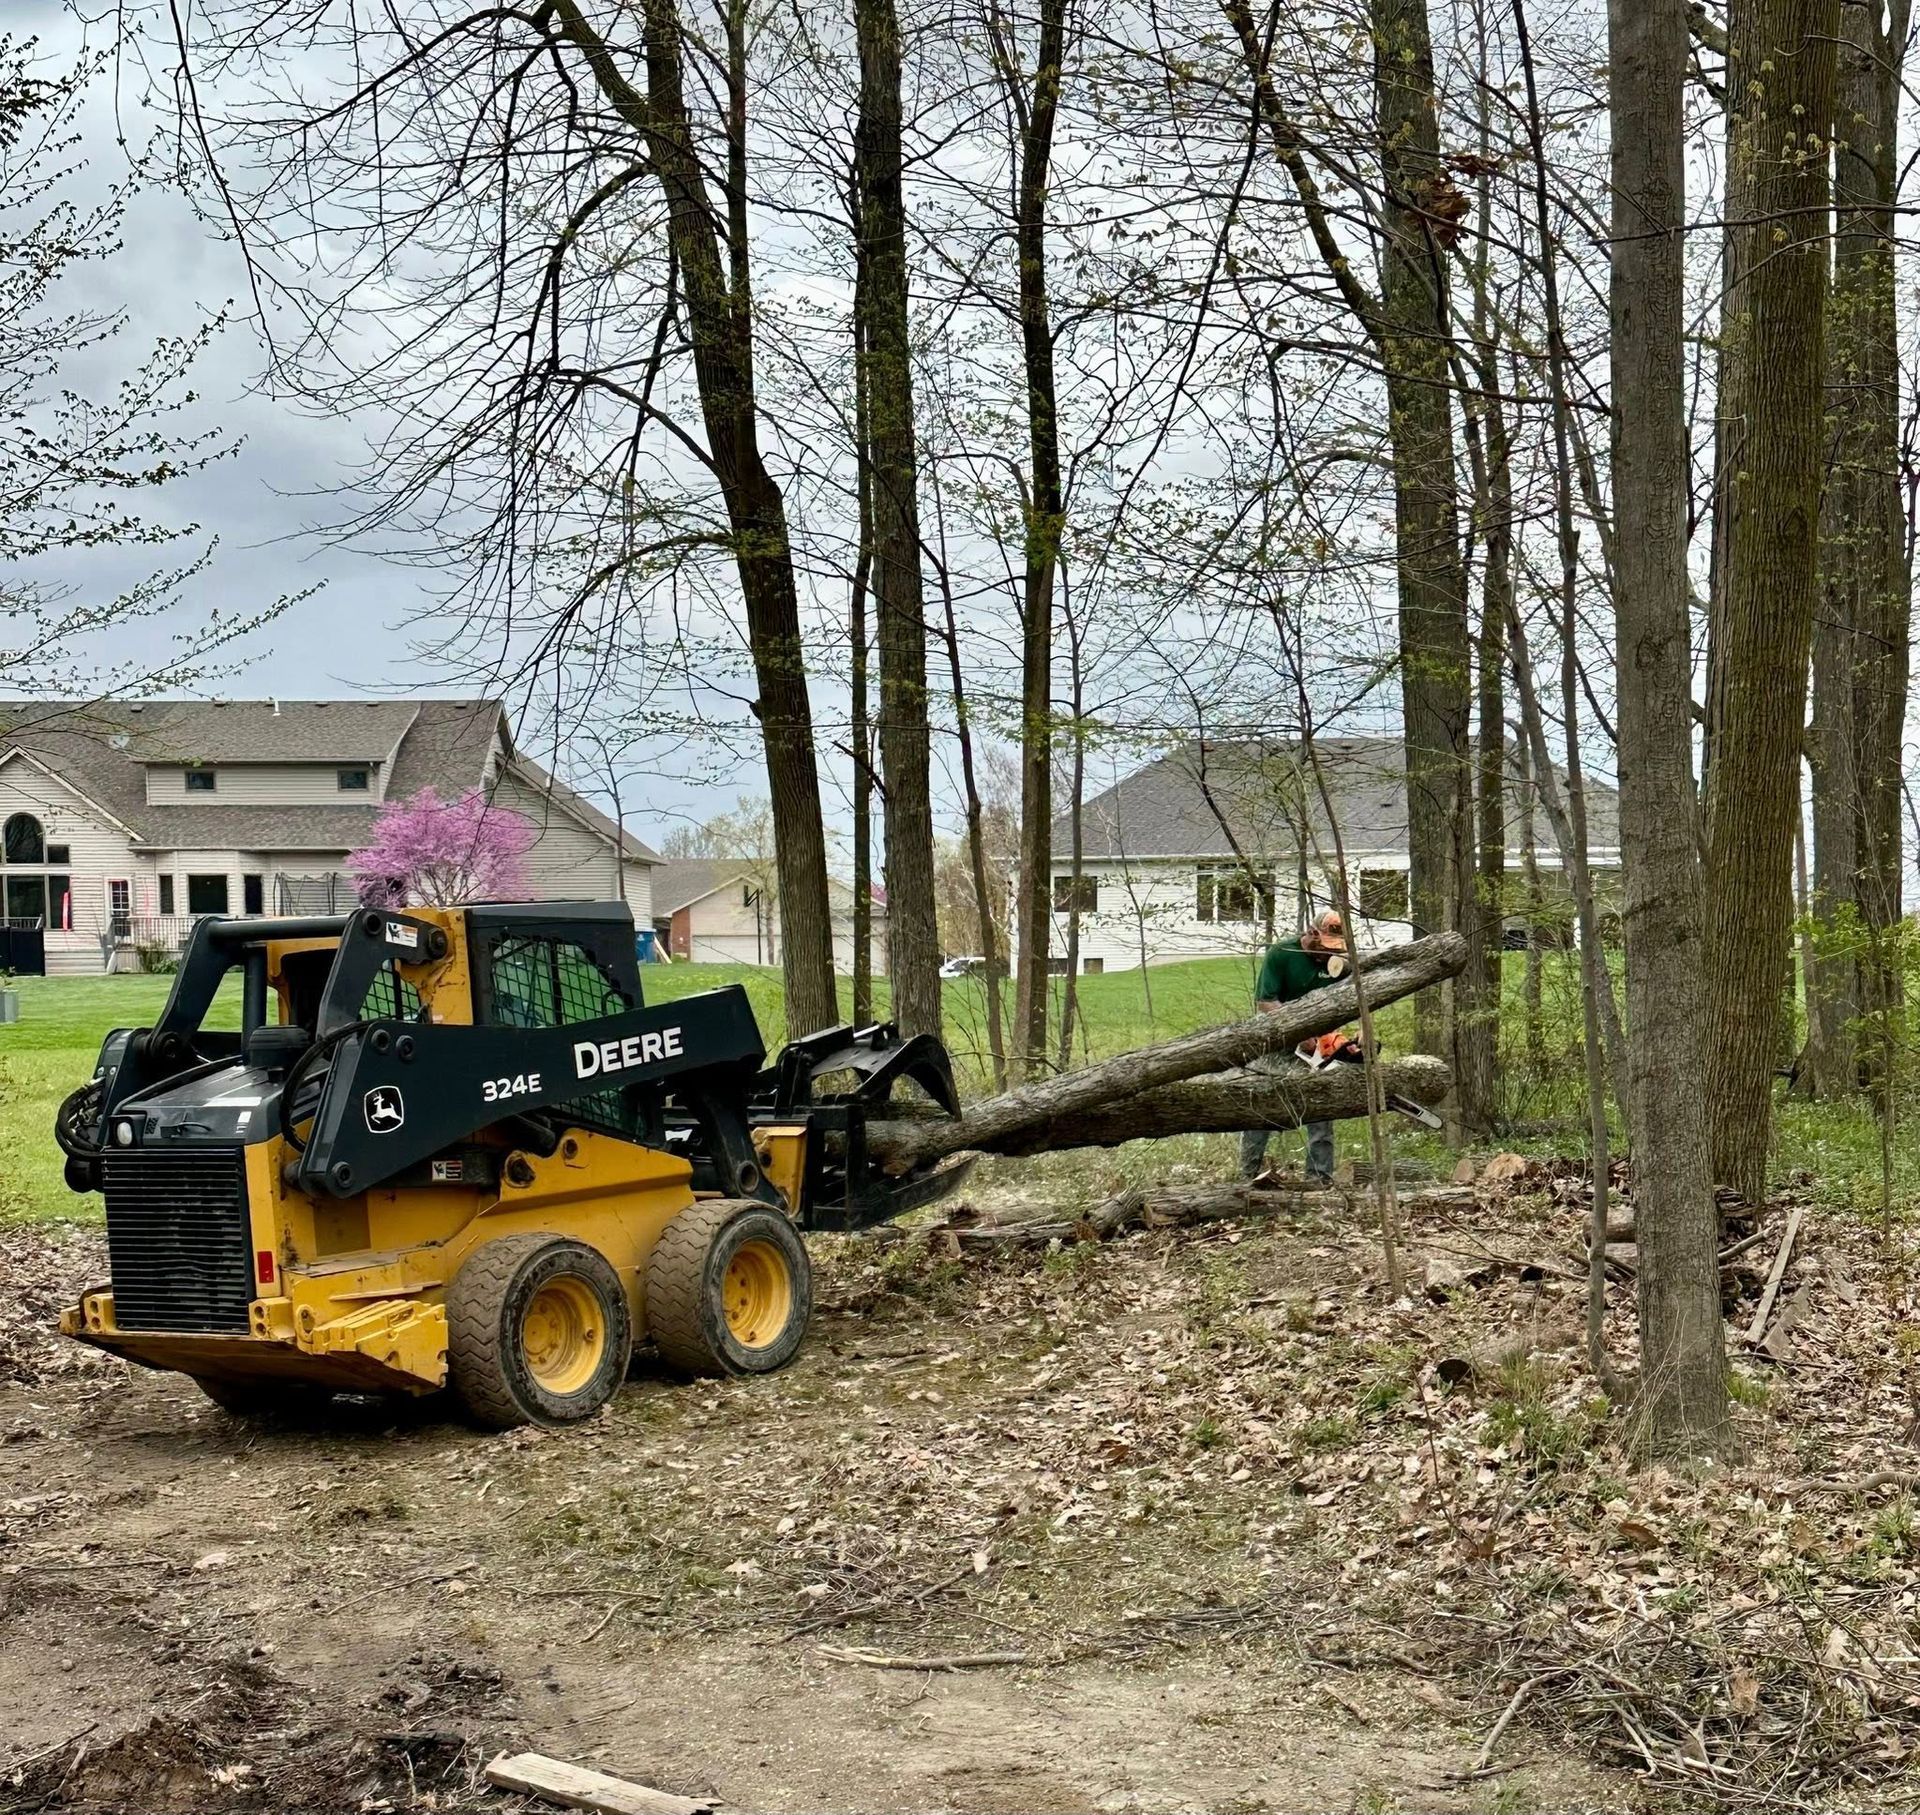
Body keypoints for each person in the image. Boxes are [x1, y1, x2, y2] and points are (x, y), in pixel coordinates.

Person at [1240, 909, 1348, 1187]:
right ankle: (1248, 1176)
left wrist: (1336, 1040)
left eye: (1333, 948)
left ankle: (1320, 1179)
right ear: (1312, 934)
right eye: (1324, 946)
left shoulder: (1338, 963)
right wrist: (1296, 1031)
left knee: (1321, 1105)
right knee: (1262, 1104)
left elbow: (1345, 1002)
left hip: (1318, 1038)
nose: (1327, 953)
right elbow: (1266, 1002)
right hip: (1277, 1038)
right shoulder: (1282, 952)